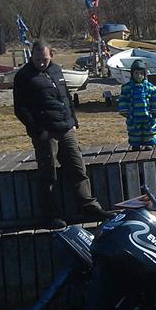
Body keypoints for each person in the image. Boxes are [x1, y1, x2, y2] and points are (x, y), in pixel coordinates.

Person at [13, 40, 114, 229]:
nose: (40, 63)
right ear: (31, 57)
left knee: (78, 168)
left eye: (44, 59)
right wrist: (37, 130)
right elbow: (20, 108)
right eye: (36, 59)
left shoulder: (57, 71)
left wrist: (73, 121)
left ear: (51, 55)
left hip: (65, 128)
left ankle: (89, 206)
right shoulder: (23, 76)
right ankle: (50, 215)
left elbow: (66, 97)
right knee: (48, 174)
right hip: (44, 132)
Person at [117, 59, 156, 150]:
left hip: (148, 116)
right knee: (134, 131)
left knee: (149, 130)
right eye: (136, 73)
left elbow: (155, 101)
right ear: (132, 74)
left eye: (141, 73)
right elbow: (123, 101)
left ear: (145, 75)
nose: (139, 76)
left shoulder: (151, 88)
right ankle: (136, 144)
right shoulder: (127, 88)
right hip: (133, 116)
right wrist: (126, 113)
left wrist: (155, 113)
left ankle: (149, 143)